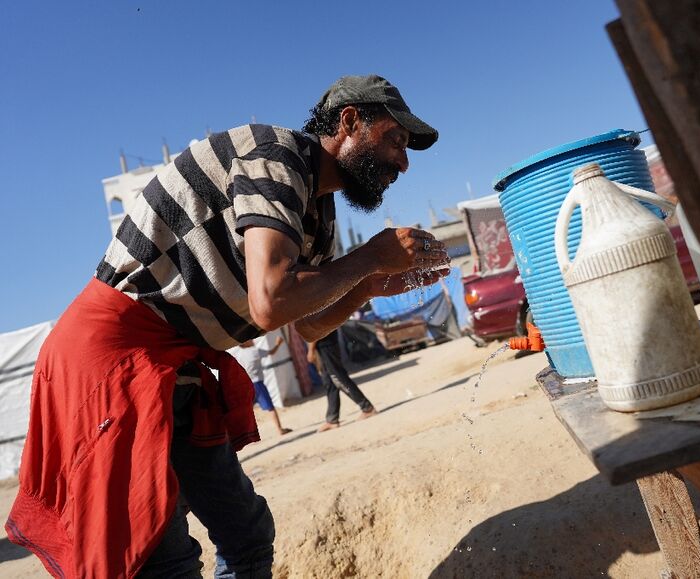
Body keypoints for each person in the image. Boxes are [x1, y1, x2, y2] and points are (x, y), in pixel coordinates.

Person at [6, 74, 449, 578]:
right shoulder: (276, 155)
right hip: (111, 365)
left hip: (173, 366)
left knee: (247, 534)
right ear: (349, 122)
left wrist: (367, 283)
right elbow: (271, 299)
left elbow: (304, 325)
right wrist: (369, 256)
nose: (403, 161)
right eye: (394, 139)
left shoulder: (316, 215)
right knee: (163, 556)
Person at [308, 330, 376, 431]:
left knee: (338, 378)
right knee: (329, 382)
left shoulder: (311, 313)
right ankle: (332, 419)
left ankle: (367, 407)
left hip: (326, 344)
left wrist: (311, 350)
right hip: (324, 344)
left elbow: (314, 330)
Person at [236, 335, 292, 435]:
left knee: (246, 411)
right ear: (245, 343)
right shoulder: (256, 351)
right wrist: (278, 344)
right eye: (249, 339)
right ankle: (279, 429)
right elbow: (271, 352)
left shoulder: (238, 354)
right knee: (270, 407)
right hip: (257, 383)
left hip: (245, 385)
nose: (252, 339)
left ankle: (245, 435)